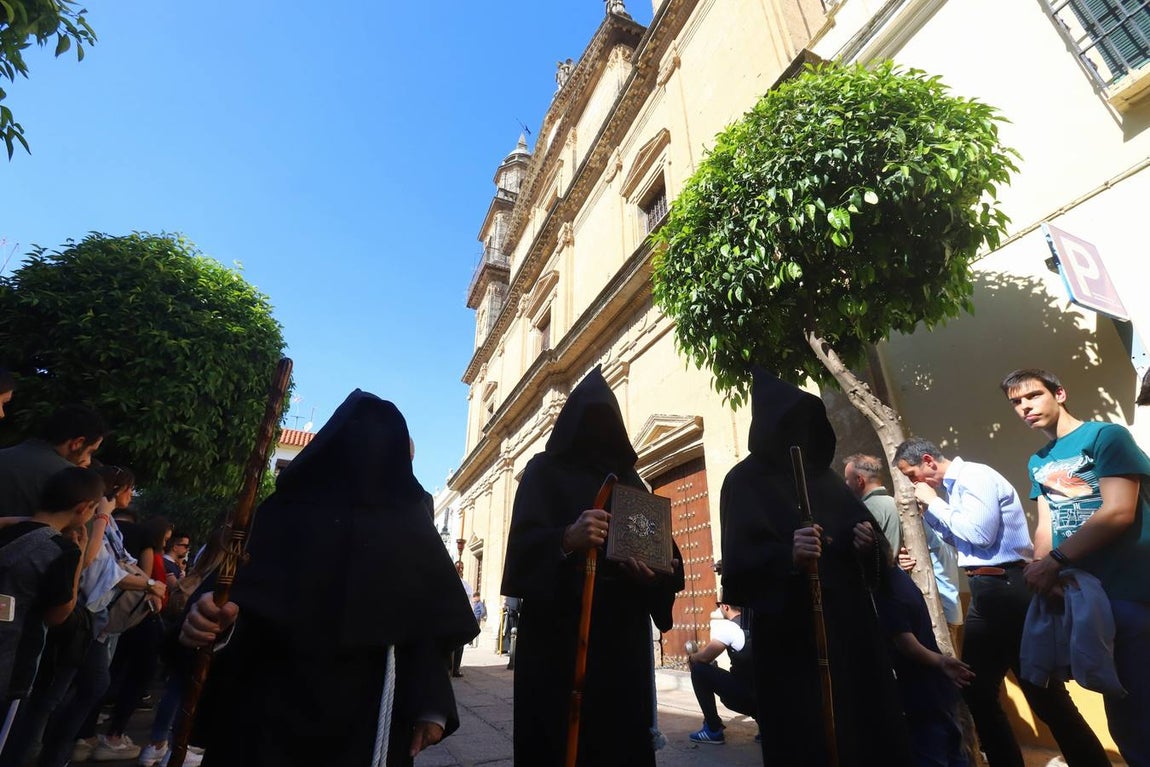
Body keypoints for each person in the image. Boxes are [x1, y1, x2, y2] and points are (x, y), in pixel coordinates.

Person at [178, 390, 477, 767]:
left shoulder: (410, 529)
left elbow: (424, 629)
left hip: (367, 723)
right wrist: (205, 622)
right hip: (266, 713)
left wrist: (432, 704)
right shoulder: (283, 514)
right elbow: (223, 603)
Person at [720, 370, 911, 767]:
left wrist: (867, 544)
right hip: (791, 641)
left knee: (864, 730)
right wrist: (787, 556)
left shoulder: (825, 479)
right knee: (806, 738)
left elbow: (875, 547)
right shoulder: (743, 482)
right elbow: (738, 568)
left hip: (851, 632)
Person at [501, 366, 684, 767]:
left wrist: (655, 574)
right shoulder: (542, 472)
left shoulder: (631, 483)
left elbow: (668, 559)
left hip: (621, 650)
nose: (598, 431)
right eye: (590, 420)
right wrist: (567, 538)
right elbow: (521, 552)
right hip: (559, 646)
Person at [894, 437, 1108, 767]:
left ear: (928, 461)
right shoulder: (955, 488)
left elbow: (979, 534)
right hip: (987, 589)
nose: (913, 484)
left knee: (1041, 694)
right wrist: (932, 512)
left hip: (1006, 588)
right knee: (983, 690)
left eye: (912, 475)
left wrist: (934, 503)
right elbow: (962, 542)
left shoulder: (974, 477)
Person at [1002, 368, 1150, 766]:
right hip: (1085, 601)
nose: (1025, 407)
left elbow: (1119, 510)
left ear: (1060, 393)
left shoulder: (1105, 436)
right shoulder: (1039, 461)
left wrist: (1054, 562)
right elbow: (1048, 525)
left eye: (1032, 396)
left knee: (1141, 711)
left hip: (1132, 591)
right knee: (1123, 718)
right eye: (1016, 402)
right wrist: (1040, 568)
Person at [0, 468, 101, 710]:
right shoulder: (62, 550)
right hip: (11, 660)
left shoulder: (6, 531)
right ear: (83, 507)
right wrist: (80, 555)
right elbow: (58, 615)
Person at [873, 533, 974, 767]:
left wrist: (940, 662)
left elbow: (907, 643)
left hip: (921, 693)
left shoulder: (886, 589)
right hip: (937, 690)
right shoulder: (901, 578)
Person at [845, 453, 963, 642]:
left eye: (847, 479)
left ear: (859, 480)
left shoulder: (872, 510)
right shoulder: (898, 508)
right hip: (946, 606)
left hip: (932, 608)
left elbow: (883, 562)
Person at [0, 405, 107, 517]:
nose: (88, 461)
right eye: (90, 452)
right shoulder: (70, 479)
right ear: (77, 443)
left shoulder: (4, 455)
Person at [684, 601, 756, 745]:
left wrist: (692, 658)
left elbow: (705, 657)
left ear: (725, 606)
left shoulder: (731, 627)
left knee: (699, 669)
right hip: (771, 698)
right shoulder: (757, 622)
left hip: (747, 697)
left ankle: (713, 729)